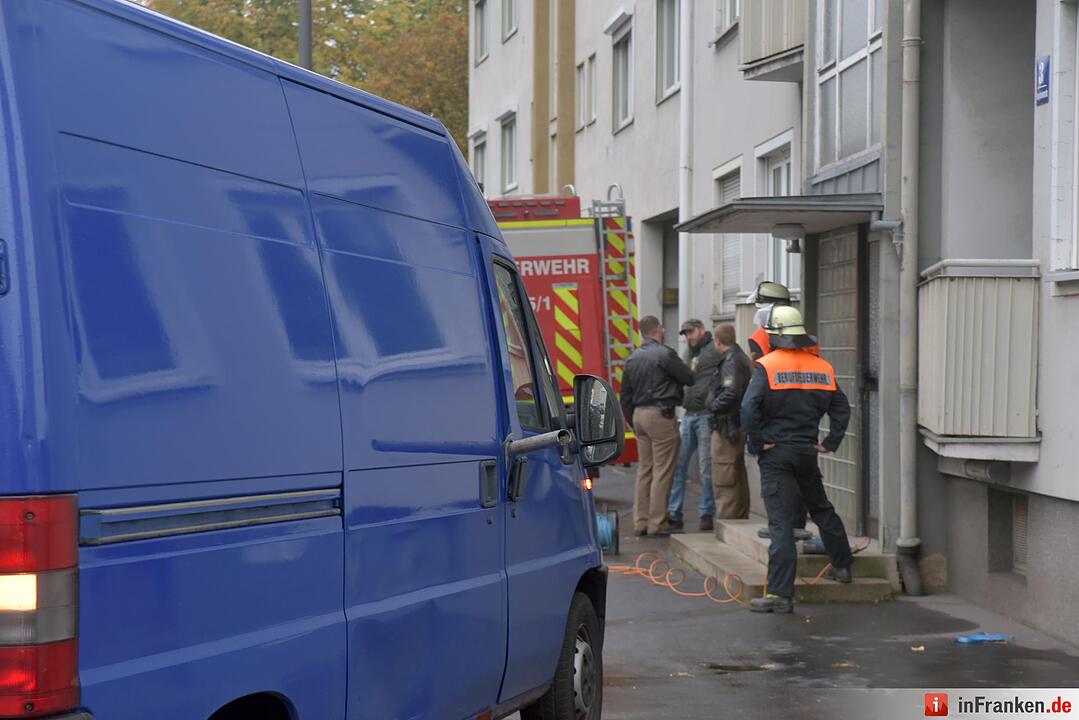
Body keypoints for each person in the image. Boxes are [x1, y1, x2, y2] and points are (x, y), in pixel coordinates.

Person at [740, 306, 855, 614]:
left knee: (780, 523)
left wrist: (756, 443)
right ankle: (842, 566)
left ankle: (779, 595)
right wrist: (829, 443)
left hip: (776, 452)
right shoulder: (822, 367)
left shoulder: (766, 366)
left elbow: (748, 408)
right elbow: (842, 409)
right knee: (820, 508)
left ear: (775, 336)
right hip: (806, 450)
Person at [620, 315, 695, 538]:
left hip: (639, 415)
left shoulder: (632, 358)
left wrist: (632, 420)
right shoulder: (665, 353)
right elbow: (689, 378)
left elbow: (625, 394)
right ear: (657, 330)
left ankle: (640, 522)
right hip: (660, 415)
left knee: (645, 470)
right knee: (662, 470)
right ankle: (657, 523)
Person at [666, 319, 723, 532]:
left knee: (705, 466)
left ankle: (706, 513)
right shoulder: (689, 353)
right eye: (685, 334)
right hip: (689, 414)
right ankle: (674, 513)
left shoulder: (713, 350)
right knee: (679, 464)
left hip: (706, 415)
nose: (688, 337)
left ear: (701, 330)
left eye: (690, 332)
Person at [706, 324, 753, 520]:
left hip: (727, 426)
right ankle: (739, 515)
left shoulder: (731, 361)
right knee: (736, 472)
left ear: (717, 342)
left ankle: (727, 520)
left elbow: (731, 392)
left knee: (724, 475)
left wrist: (713, 406)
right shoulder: (739, 357)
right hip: (735, 424)